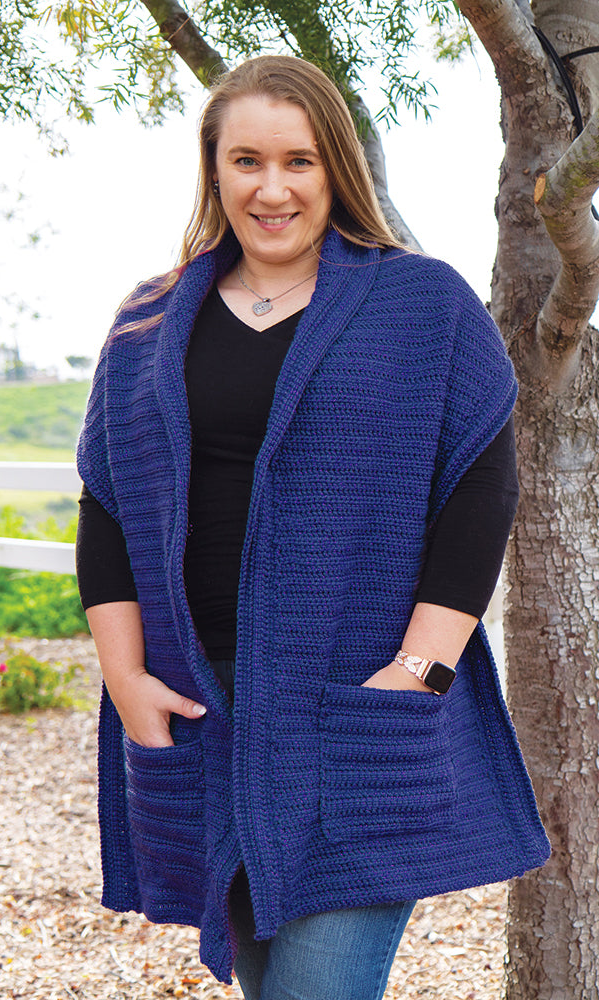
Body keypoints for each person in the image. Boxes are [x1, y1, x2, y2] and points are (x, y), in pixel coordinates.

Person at [76, 54, 550, 1000]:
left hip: (354, 708)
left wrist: (417, 672)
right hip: (202, 712)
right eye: (246, 160)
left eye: (299, 161)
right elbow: (106, 507)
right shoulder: (148, 322)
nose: (272, 188)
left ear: (336, 166)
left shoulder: (421, 304)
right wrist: (126, 681)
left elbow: (479, 490)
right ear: (213, 169)